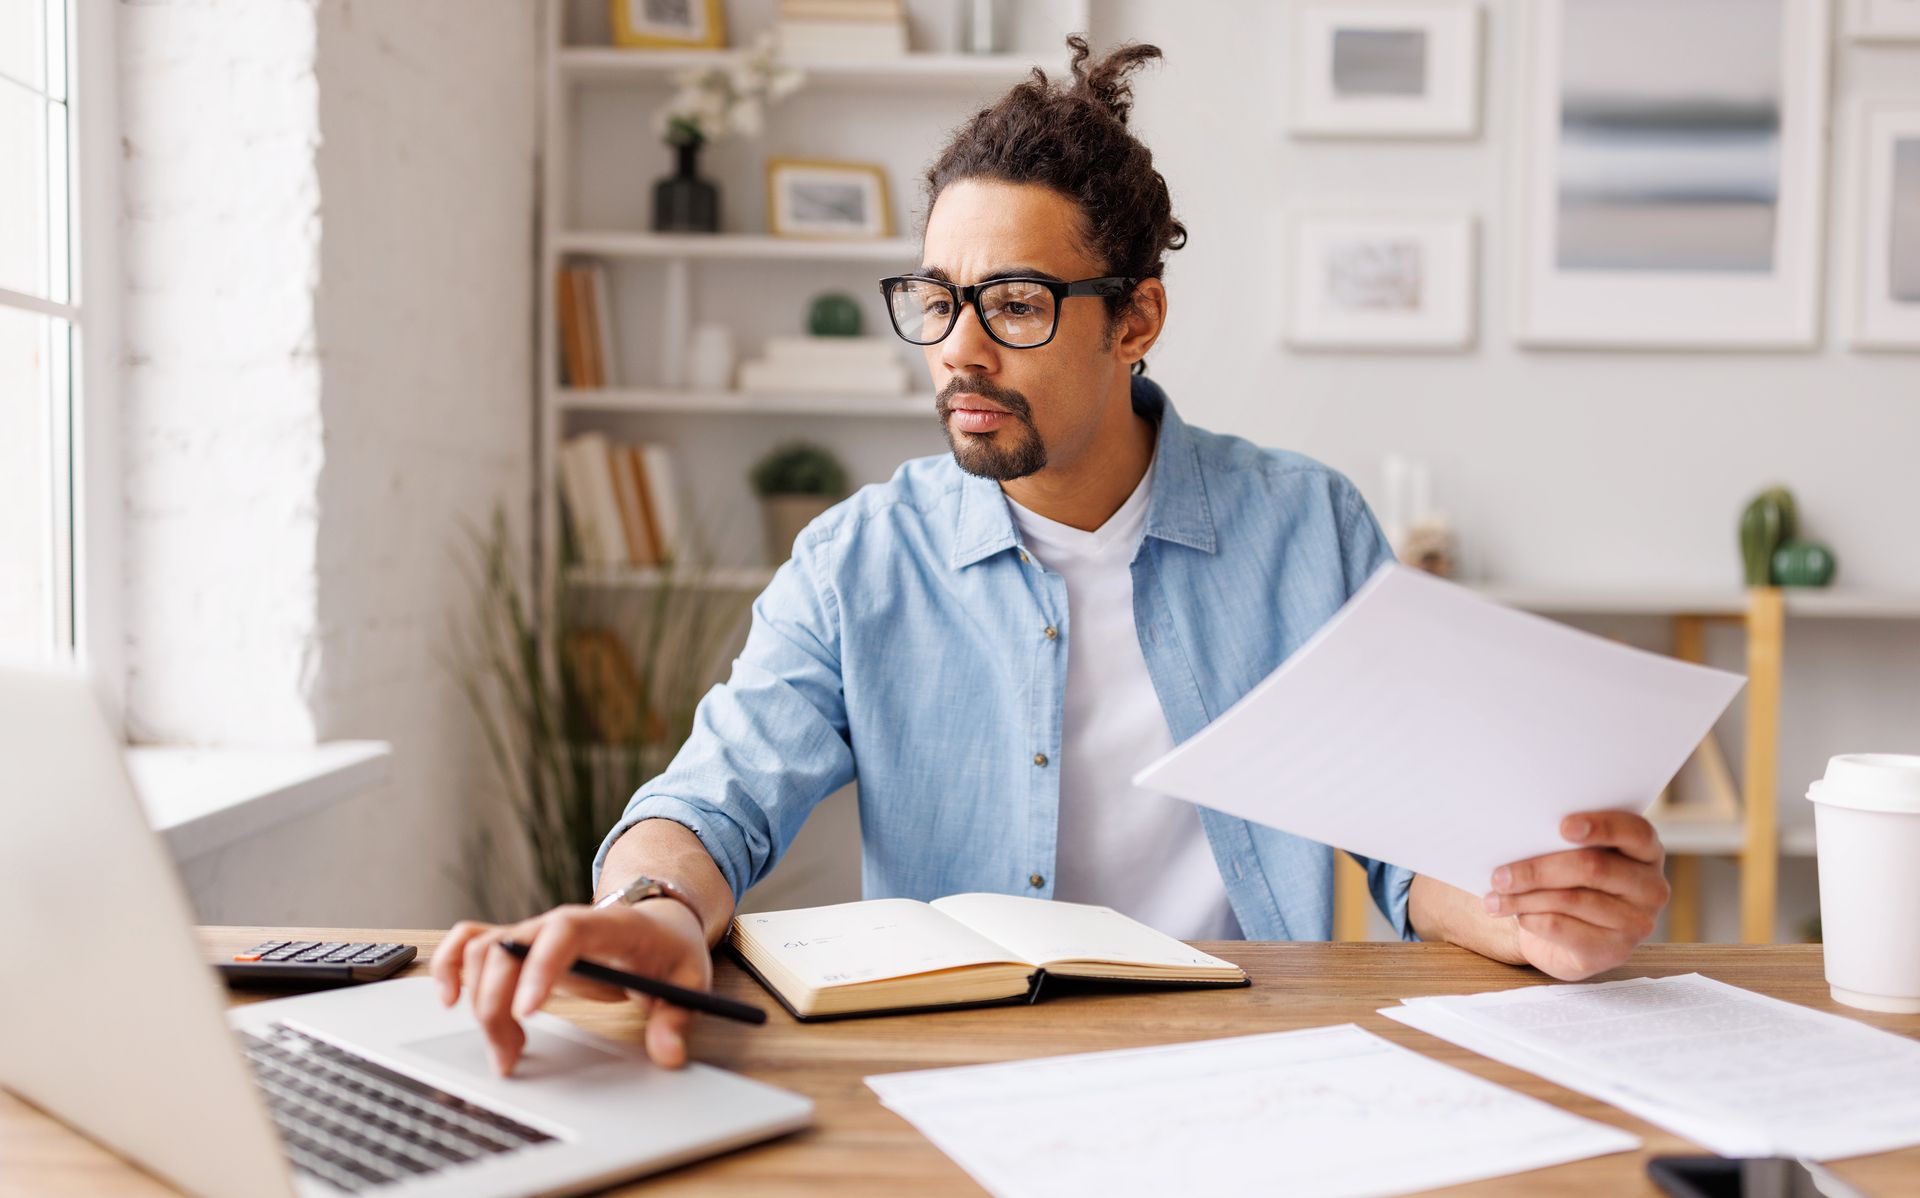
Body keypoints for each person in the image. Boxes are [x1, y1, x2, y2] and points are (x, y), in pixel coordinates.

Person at [435, 38, 1669, 1076]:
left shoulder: (1306, 530)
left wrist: (1532, 908)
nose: (959, 349)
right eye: (936, 299)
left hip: (1252, 1063)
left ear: (1134, 318)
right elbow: (716, 800)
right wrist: (649, 911)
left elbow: (1406, 850)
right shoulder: (857, 559)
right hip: (963, 1069)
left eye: (1014, 304)